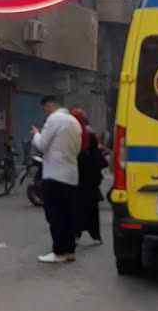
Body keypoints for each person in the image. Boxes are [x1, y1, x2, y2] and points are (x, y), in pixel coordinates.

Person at [31, 95, 82, 264]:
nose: (45, 112)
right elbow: (78, 149)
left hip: (54, 175)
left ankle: (59, 252)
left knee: (55, 216)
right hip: (71, 175)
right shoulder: (74, 122)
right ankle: (69, 251)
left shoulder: (54, 119)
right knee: (68, 215)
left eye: (45, 108)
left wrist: (36, 134)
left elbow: (41, 145)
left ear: (50, 105)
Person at [71, 107, 105, 245]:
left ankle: (76, 234)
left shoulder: (74, 132)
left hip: (78, 175)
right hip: (90, 176)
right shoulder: (89, 132)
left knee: (76, 207)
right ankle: (95, 235)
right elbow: (96, 154)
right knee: (91, 208)